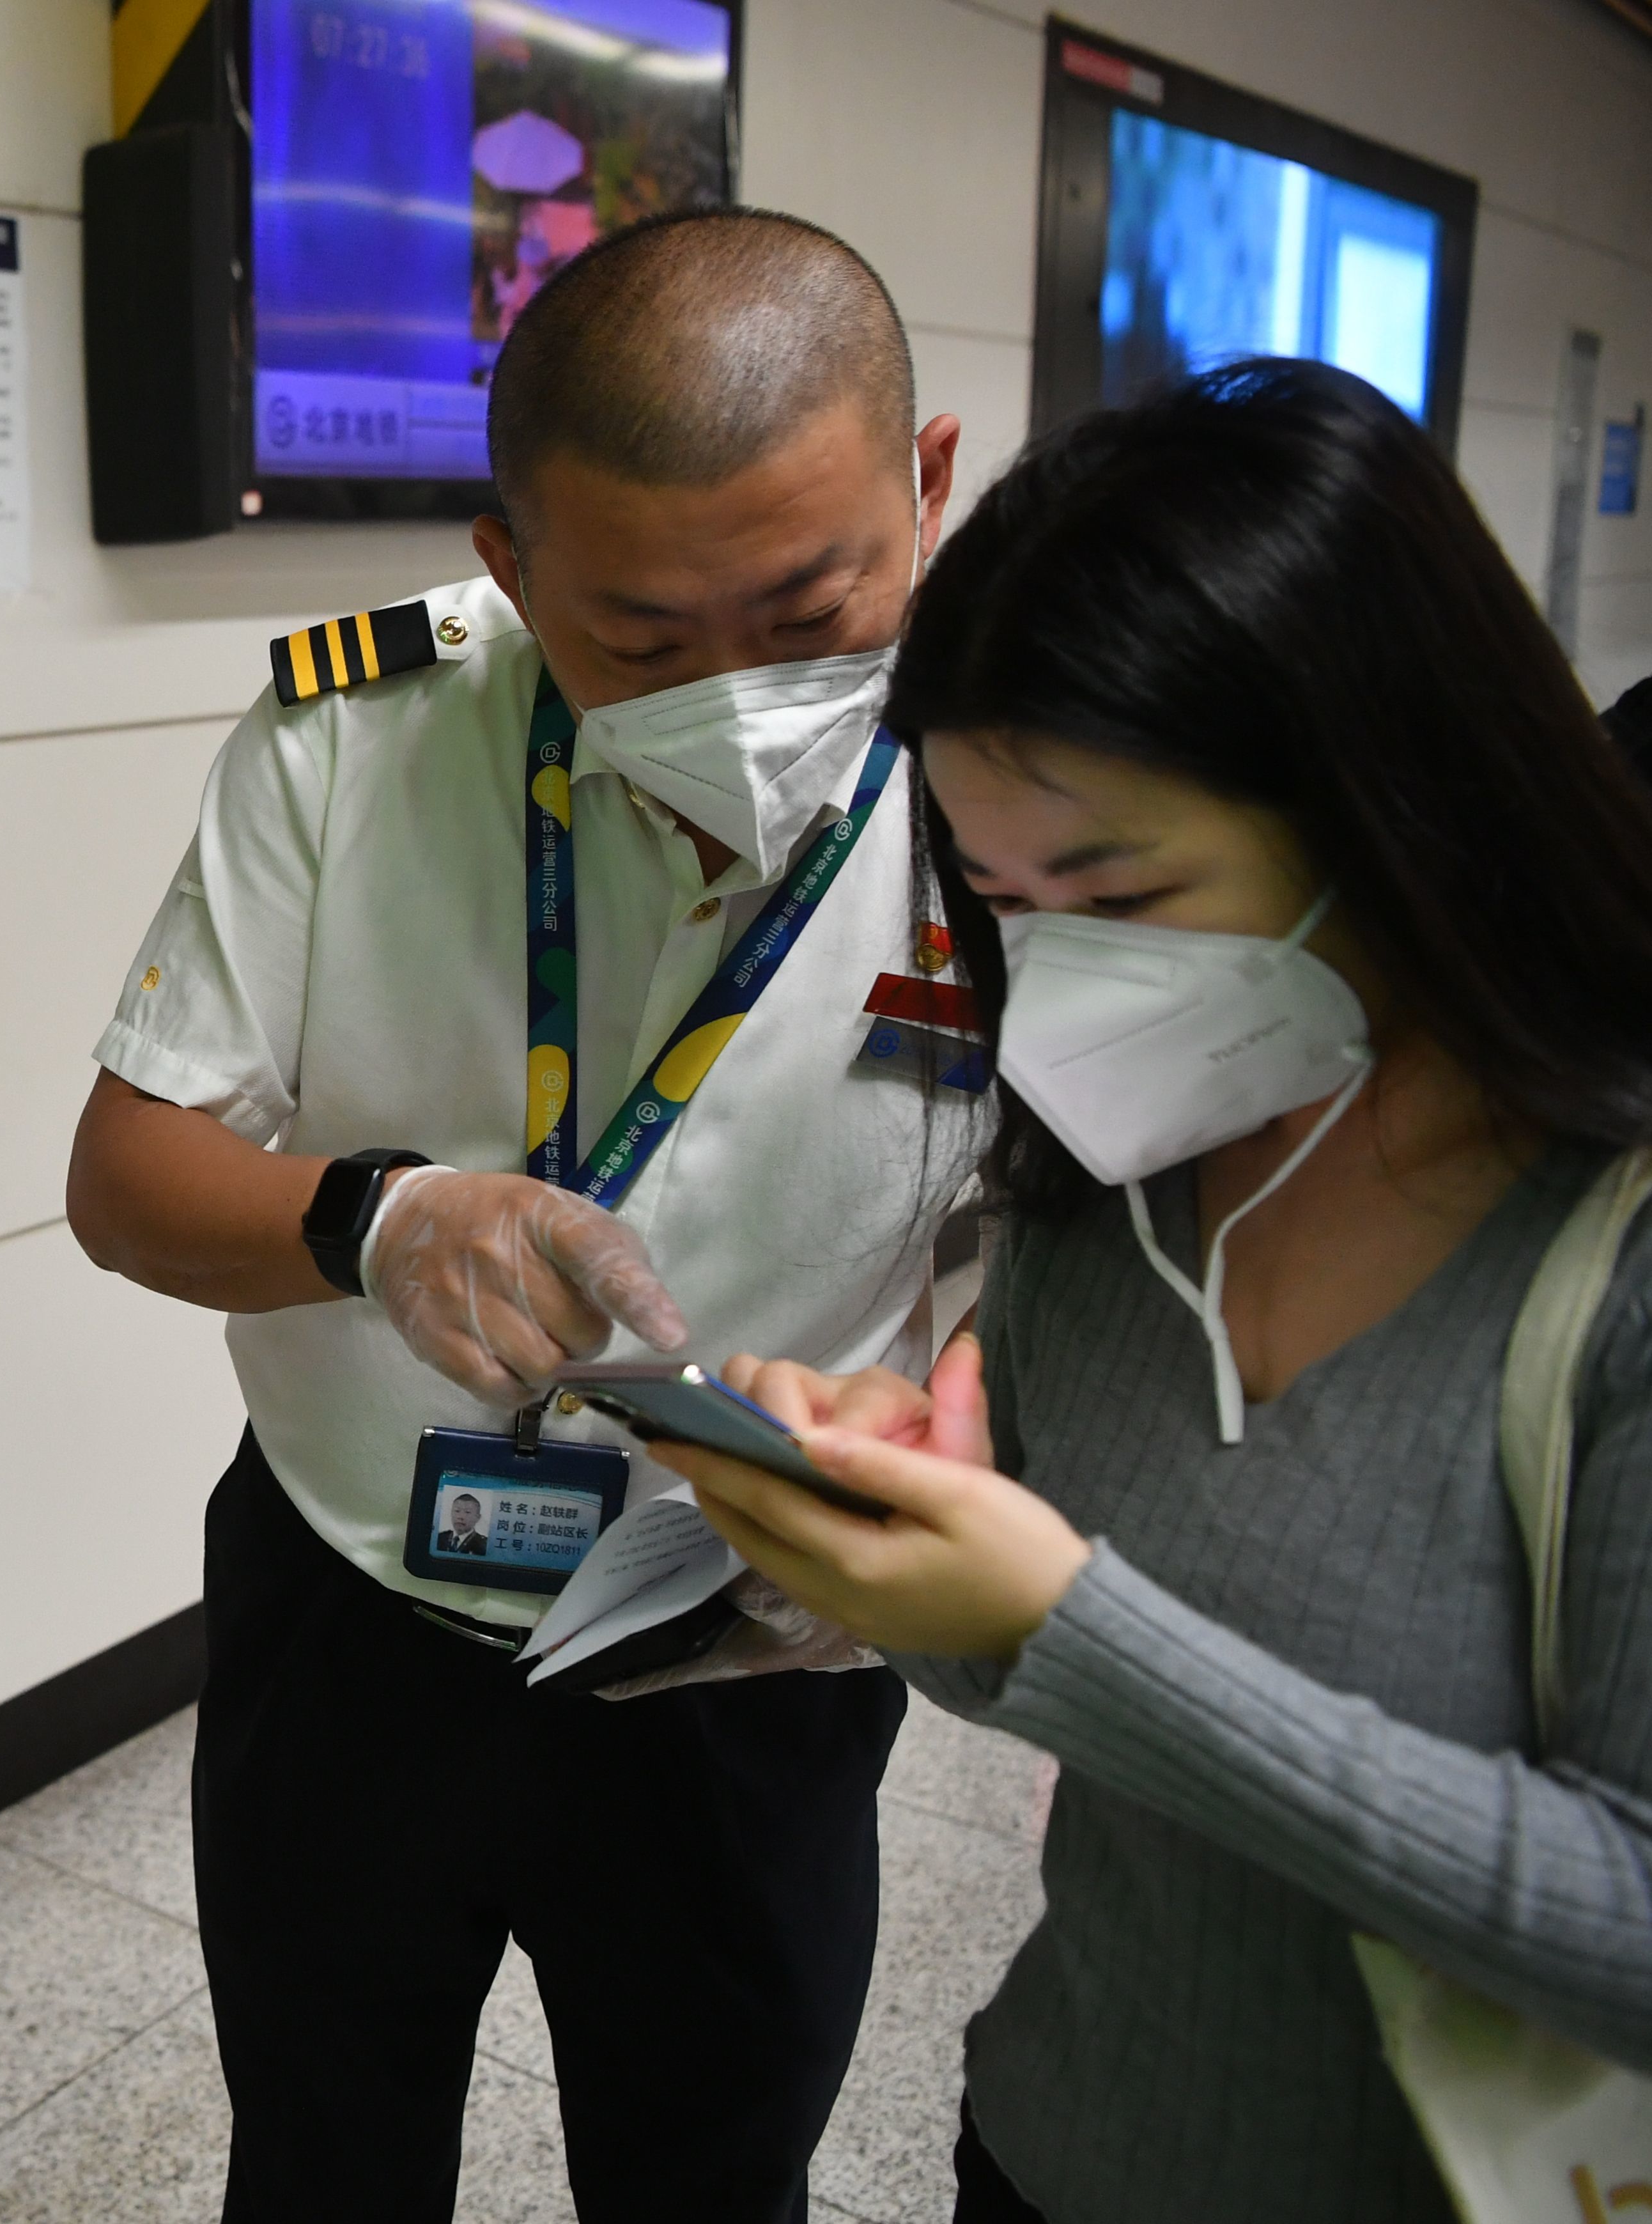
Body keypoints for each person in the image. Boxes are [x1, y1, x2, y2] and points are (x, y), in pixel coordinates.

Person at [651, 361, 1652, 2223]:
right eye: (1003, 899)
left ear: (1393, 809)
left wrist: (1067, 1611)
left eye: (1118, 890)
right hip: (1052, 2133)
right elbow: (1011, 1662)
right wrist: (901, 1532)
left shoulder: (1606, 1241)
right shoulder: (1111, 1166)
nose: (1065, 982)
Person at [65, 207, 985, 2220]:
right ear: (509, 564)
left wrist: (942, 1482)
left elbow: (1098, 1241)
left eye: (811, 602)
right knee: (319, 2156)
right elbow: (122, 1177)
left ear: (925, 491)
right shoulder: (355, 729)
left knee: (706, 2169)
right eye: (641, 643)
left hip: (746, 1643)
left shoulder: (1022, 781)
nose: (733, 692)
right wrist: (367, 1223)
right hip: (353, 1605)